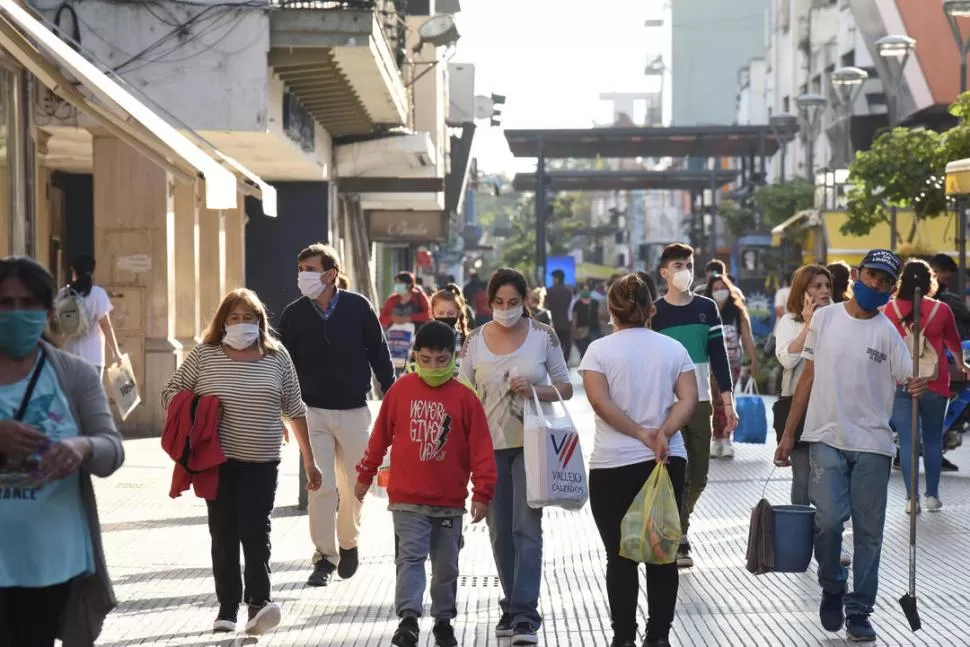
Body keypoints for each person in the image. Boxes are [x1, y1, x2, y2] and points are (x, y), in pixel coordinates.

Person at [776, 249, 928, 643]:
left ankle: (860, 609)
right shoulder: (825, 320)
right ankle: (832, 584)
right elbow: (806, 378)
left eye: (884, 282)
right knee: (826, 522)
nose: (876, 285)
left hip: (873, 445)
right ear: (858, 275)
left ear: (892, 289)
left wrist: (917, 384)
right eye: (872, 276)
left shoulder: (890, 333)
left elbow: (910, 379)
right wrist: (789, 433)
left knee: (869, 532)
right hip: (824, 435)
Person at [162, 288, 321, 635]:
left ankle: (259, 603)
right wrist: (198, 411)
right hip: (215, 461)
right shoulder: (204, 355)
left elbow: (295, 409)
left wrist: (310, 462)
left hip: (262, 461)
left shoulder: (277, 357)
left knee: (255, 529)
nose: (241, 324)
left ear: (260, 322)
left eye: (248, 318)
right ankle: (227, 607)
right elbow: (170, 393)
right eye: (234, 318)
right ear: (222, 323)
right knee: (223, 532)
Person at [0, 256, 125, 647]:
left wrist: (82, 445)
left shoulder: (74, 374)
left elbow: (112, 450)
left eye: (28, 303)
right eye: (5, 303)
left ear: (47, 311)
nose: (17, 313)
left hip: (53, 560)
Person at [355, 322, 496, 647]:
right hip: (406, 498)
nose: (434, 367)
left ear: (454, 358)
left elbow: (481, 449)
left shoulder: (465, 398)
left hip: (449, 500)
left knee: (446, 566)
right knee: (410, 559)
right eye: (427, 359)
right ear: (416, 355)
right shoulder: (400, 391)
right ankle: (408, 620)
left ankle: (443, 620)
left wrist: (483, 492)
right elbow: (379, 439)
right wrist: (365, 474)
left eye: (442, 360)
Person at [458, 267, 573, 646]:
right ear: (488, 302)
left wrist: (537, 389)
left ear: (525, 301)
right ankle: (510, 603)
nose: (506, 309)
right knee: (498, 532)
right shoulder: (474, 341)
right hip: (488, 448)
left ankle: (525, 614)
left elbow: (566, 387)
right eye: (499, 302)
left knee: (527, 528)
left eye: (513, 302)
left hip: (532, 444)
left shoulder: (543, 336)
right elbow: (462, 395)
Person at [582, 274, 697, 647]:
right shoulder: (673, 349)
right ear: (650, 308)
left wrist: (638, 432)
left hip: (612, 463)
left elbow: (600, 403)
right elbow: (688, 400)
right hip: (665, 461)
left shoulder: (598, 351)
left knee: (620, 555)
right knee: (661, 552)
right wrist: (662, 432)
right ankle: (659, 637)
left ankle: (623, 639)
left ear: (610, 310)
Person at [279, 243, 395, 588]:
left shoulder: (358, 307)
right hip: (311, 412)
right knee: (321, 487)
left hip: (354, 410)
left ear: (330, 273)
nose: (303, 276)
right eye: (300, 269)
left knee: (356, 486)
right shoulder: (293, 314)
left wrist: (393, 395)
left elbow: (379, 352)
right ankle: (325, 557)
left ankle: (349, 542)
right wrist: (279, 412)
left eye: (310, 269)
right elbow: (282, 366)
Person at [652, 243, 735, 568]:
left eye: (688, 263)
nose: (683, 269)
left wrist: (728, 401)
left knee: (698, 475)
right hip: (667, 405)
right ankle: (680, 536)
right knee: (676, 473)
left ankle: (678, 526)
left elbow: (719, 355)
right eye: (677, 265)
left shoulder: (706, 308)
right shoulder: (655, 313)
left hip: (700, 401)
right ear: (664, 272)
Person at [884, 259, 966, 513]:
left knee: (907, 442)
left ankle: (911, 499)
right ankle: (932, 496)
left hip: (901, 381)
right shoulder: (941, 310)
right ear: (930, 281)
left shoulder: (889, 309)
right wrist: (962, 365)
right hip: (935, 382)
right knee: (932, 440)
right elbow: (954, 342)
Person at [774, 264, 832, 505]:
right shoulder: (790, 321)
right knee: (802, 476)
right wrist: (809, 325)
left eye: (828, 286)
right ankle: (799, 535)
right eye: (817, 286)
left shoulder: (838, 319)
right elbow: (787, 359)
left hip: (829, 408)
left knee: (828, 477)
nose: (824, 291)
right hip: (797, 407)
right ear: (802, 291)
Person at [705, 273, 757, 459]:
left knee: (726, 400)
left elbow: (747, 338)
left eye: (722, 288)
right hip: (710, 365)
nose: (720, 292)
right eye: (716, 289)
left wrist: (753, 360)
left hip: (732, 364)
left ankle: (726, 438)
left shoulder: (737, 311)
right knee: (715, 402)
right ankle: (716, 438)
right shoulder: (707, 312)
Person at [57, 255, 122, 377]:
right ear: (92, 273)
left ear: (74, 272)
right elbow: (105, 325)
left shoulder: (64, 294)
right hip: (93, 357)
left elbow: (56, 324)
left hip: (68, 356)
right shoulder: (98, 294)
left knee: (71, 396)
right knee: (91, 396)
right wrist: (116, 353)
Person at [928, 253, 970, 340]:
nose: (946, 283)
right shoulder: (917, 299)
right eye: (945, 278)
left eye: (948, 279)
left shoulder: (953, 301)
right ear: (934, 273)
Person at [544, 269, 574, 363]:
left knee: (554, 345)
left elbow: (546, 307)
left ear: (556, 279)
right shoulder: (568, 292)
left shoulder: (549, 291)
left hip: (553, 324)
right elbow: (570, 309)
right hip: (566, 323)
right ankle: (565, 362)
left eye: (553, 278)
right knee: (566, 344)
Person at [571, 288, 602, 358]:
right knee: (593, 350)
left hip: (584, 329)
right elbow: (599, 315)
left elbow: (575, 317)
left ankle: (585, 363)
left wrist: (574, 327)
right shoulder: (595, 302)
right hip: (593, 328)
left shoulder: (577, 303)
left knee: (584, 350)